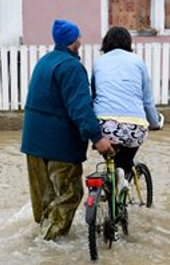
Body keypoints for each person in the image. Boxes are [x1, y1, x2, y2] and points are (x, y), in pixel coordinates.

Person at [21, 19, 114, 241]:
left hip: (33, 145)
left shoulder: (44, 62)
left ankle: (42, 238)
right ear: (76, 40)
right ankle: (46, 249)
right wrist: (98, 137)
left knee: (46, 200)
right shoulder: (72, 67)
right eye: (79, 36)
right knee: (70, 195)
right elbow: (80, 108)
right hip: (59, 146)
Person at [91, 26, 163, 189]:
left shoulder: (98, 63)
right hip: (134, 126)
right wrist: (155, 123)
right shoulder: (138, 62)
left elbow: (94, 96)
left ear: (106, 43)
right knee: (125, 160)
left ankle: (114, 184)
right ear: (128, 43)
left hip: (105, 127)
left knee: (112, 159)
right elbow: (147, 100)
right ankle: (122, 178)